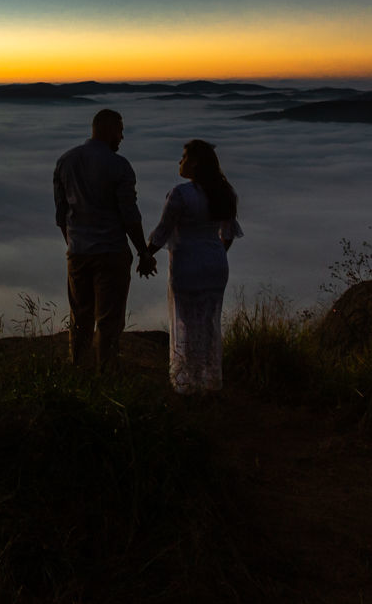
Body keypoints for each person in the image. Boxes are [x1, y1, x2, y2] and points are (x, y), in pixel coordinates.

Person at [53, 109, 156, 372]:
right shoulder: (119, 166)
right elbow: (129, 215)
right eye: (120, 131)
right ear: (109, 130)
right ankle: (106, 374)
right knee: (109, 320)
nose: (122, 137)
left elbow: (61, 214)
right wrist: (143, 251)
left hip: (78, 252)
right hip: (111, 253)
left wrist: (73, 244)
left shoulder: (66, 161)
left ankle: (78, 370)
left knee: (80, 316)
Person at [145, 140, 242, 394]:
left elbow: (162, 232)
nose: (180, 162)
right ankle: (209, 379)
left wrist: (145, 255)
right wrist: (214, 253)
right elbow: (228, 234)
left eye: (184, 157)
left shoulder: (180, 194)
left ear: (195, 163)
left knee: (187, 323)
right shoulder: (224, 193)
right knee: (209, 322)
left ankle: (189, 382)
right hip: (216, 264)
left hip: (187, 264)